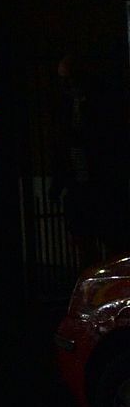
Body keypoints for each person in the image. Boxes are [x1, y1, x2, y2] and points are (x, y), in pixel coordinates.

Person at [49, 54, 130, 269]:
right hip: (84, 185)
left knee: (108, 243)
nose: (66, 84)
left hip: (99, 184)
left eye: (69, 79)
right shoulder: (71, 105)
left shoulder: (99, 103)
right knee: (89, 243)